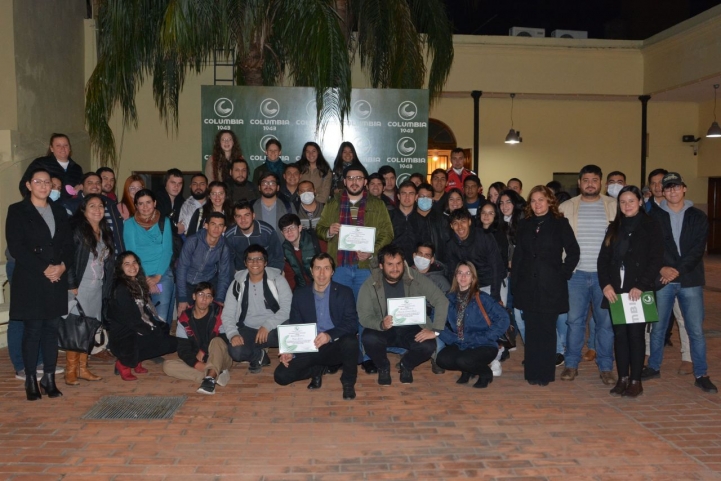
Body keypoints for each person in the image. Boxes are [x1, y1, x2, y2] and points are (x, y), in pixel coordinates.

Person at [316, 161, 394, 374]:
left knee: (366, 312)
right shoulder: (333, 204)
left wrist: (373, 251)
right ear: (344, 181)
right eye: (350, 178)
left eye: (359, 178)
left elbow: (388, 233)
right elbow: (320, 230)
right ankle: (339, 356)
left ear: (365, 182)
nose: (354, 182)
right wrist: (329, 231)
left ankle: (367, 356)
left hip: (364, 268)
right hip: (340, 266)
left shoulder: (377, 205)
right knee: (339, 313)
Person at [644, 173, 718, 393]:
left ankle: (701, 373)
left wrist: (675, 271)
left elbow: (696, 250)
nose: (672, 191)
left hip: (690, 280)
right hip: (663, 280)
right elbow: (651, 247)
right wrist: (661, 268)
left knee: (694, 329)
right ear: (663, 192)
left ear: (684, 189)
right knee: (657, 328)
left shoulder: (697, 216)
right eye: (668, 188)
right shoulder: (654, 217)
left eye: (676, 187)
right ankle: (654, 367)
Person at [7, 168, 74, 400]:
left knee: (51, 330)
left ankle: (49, 377)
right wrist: (45, 268)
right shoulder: (17, 210)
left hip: (56, 277)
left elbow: (68, 244)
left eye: (48, 182)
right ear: (28, 185)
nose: (44, 186)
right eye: (38, 182)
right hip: (32, 278)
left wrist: (62, 267)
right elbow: (17, 247)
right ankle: (30, 381)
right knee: (33, 330)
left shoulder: (59, 210)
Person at [598, 186, 663, 397]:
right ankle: (622, 378)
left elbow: (655, 259)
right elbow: (603, 260)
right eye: (623, 202)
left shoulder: (651, 225)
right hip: (616, 291)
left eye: (631, 201)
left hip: (638, 290)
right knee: (620, 336)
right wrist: (606, 284)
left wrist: (642, 285)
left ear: (640, 202)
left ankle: (636, 380)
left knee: (635, 336)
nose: (627, 205)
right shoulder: (614, 227)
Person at [512, 185, 580, 386]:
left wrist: (562, 275)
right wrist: (516, 284)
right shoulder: (524, 224)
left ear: (550, 201)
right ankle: (532, 372)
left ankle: (545, 374)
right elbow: (518, 258)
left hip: (551, 286)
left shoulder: (560, 223)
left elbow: (573, 252)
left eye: (541, 200)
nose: (537, 204)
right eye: (533, 201)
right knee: (532, 331)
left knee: (547, 331)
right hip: (527, 285)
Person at [558, 165, 617, 385]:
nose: (590, 184)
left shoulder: (614, 206)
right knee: (574, 322)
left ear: (600, 182)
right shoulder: (566, 206)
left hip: (605, 277)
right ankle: (571, 365)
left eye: (594, 180)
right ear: (579, 183)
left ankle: (606, 367)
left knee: (605, 323)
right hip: (576, 275)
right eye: (585, 180)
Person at [357, 245, 449, 385]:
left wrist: (435, 330)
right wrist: (380, 324)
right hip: (385, 328)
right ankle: (383, 367)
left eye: (399, 263)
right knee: (368, 338)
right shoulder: (370, 284)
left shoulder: (414, 277)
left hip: (411, 327)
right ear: (381, 266)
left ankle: (406, 365)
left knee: (429, 345)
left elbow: (441, 300)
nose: (395, 268)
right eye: (390, 264)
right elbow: (364, 316)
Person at [274, 253, 359, 400]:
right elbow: (295, 325)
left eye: (326, 268)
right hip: (309, 346)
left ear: (332, 271)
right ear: (311, 271)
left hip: (334, 345)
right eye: (317, 268)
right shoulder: (300, 295)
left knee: (351, 341)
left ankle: (348, 383)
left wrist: (329, 335)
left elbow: (352, 324)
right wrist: (290, 350)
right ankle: (317, 369)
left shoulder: (345, 293)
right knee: (281, 376)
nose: (321, 273)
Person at [644, 168, 691, 372]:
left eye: (660, 182)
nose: (657, 187)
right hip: (653, 273)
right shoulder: (645, 209)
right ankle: (648, 355)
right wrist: (660, 268)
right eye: (653, 183)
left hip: (681, 274)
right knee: (650, 318)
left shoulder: (684, 210)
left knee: (683, 317)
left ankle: (688, 357)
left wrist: (674, 270)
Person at [66, 194, 115, 385]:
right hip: (80, 287)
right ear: (83, 210)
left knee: (89, 329)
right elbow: (68, 258)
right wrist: (71, 284)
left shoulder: (105, 231)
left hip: (97, 287)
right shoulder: (77, 230)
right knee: (76, 329)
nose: (97, 209)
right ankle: (71, 370)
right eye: (92, 206)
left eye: (100, 206)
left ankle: (83, 368)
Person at [106, 252, 178, 380]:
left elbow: (146, 311)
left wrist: (156, 327)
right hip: (123, 335)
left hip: (137, 328)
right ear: (120, 267)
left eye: (134, 262)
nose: (132, 266)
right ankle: (123, 364)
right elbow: (131, 320)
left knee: (167, 338)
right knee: (159, 338)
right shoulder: (121, 288)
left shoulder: (139, 283)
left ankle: (137, 359)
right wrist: (152, 330)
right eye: (127, 264)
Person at [438, 262, 510, 388]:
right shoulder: (449, 298)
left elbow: (503, 318)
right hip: (461, 343)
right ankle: (467, 370)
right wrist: (452, 338)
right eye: (460, 273)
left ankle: (485, 373)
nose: (463, 276)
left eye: (468, 273)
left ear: (473, 277)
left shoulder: (482, 298)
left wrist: (487, 336)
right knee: (442, 360)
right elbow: (437, 320)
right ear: (455, 276)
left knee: (464, 360)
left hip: (484, 343)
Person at [221, 245, 292, 373]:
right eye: (250, 259)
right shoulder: (237, 283)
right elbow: (227, 314)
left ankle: (289, 357)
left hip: (273, 329)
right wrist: (233, 334)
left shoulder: (278, 280)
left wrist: (267, 325)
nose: (255, 263)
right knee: (235, 351)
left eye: (259, 259)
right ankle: (259, 356)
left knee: (291, 328)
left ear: (265, 262)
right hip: (249, 330)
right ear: (245, 263)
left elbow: (288, 308)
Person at [163, 282, 233, 395]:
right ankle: (214, 374)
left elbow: (225, 338)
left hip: (221, 357)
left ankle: (209, 381)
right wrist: (196, 364)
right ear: (194, 296)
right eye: (201, 294)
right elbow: (183, 348)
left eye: (208, 295)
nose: (204, 299)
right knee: (168, 366)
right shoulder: (184, 318)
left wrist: (203, 350)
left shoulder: (220, 313)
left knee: (217, 340)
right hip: (201, 360)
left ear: (212, 299)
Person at [123, 189, 175, 325]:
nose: (145, 207)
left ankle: (162, 345)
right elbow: (132, 254)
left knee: (161, 316)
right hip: (138, 275)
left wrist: (156, 278)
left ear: (155, 203)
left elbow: (167, 251)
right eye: (141, 204)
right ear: (136, 206)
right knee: (141, 316)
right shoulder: (129, 224)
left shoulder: (165, 222)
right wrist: (145, 279)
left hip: (162, 274)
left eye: (148, 202)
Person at [175, 212, 233, 314]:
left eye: (220, 225)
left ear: (224, 229)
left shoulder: (224, 247)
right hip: (187, 282)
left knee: (207, 319)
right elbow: (181, 269)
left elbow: (224, 275)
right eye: (213, 224)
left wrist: (219, 299)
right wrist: (182, 298)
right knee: (184, 318)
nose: (216, 229)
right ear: (206, 225)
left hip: (206, 283)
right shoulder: (193, 241)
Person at [445, 209, 505, 302]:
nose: (460, 226)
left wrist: (496, 296)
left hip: (492, 283)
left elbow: (496, 266)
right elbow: (452, 272)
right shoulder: (451, 245)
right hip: (469, 287)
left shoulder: (484, 237)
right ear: (451, 226)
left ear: (469, 222)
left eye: (463, 221)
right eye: (455, 223)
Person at [65, 172, 126, 254]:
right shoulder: (71, 206)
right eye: (90, 183)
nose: (95, 186)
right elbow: (66, 235)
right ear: (82, 187)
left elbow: (117, 234)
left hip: (111, 257)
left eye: (98, 183)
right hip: (83, 259)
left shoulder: (111, 204)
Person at [224, 200, 284, 272]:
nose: (243, 220)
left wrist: (272, 275)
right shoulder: (229, 236)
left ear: (253, 216)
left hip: (267, 271)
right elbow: (227, 261)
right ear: (234, 218)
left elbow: (278, 257)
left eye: (247, 215)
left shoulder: (267, 231)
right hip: (241, 273)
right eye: (239, 216)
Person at [19, 134, 83, 199]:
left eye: (65, 145)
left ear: (69, 148)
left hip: (68, 207)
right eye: (58, 145)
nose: (63, 148)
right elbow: (24, 185)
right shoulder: (41, 163)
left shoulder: (76, 168)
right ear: (52, 148)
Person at [278, 213, 322, 290]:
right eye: (285, 229)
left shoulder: (316, 241)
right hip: (303, 289)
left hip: (322, 285)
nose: (289, 232)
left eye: (292, 228)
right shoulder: (284, 250)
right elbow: (290, 276)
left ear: (300, 228)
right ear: (282, 233)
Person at [253, 172, 297, 243]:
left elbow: (296, 231)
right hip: (257, 250)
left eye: (272, 183)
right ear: (259, 187)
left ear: (278, 187)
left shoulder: (288, 206)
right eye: (264, 183)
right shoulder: (251, 207)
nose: (268, 186)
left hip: (283, 250)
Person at [479, 201, 510, 301]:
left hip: (497, 282)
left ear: (496, 216)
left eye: (490, 213)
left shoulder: (499, 235)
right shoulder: (475, 233)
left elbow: (500, 262)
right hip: (479, 282)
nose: (486, 216)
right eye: (483, 212)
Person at [389, 181, 424, 264]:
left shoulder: (421, 220)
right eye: (404, 193)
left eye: (411, 194)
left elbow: (424, 245)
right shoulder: (388, 217)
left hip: (414, 266)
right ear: (398, 196)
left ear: (416, 197)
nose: (407, 197)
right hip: (392, 263)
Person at [415, 183, 449, 266]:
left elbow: (448, 245)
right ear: (416, 198)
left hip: (437, 265)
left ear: (433, 199)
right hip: (413, 266)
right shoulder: (410, 218)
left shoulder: (442, 219)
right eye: (422, 196)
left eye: (428, 197)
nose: (425, 199)